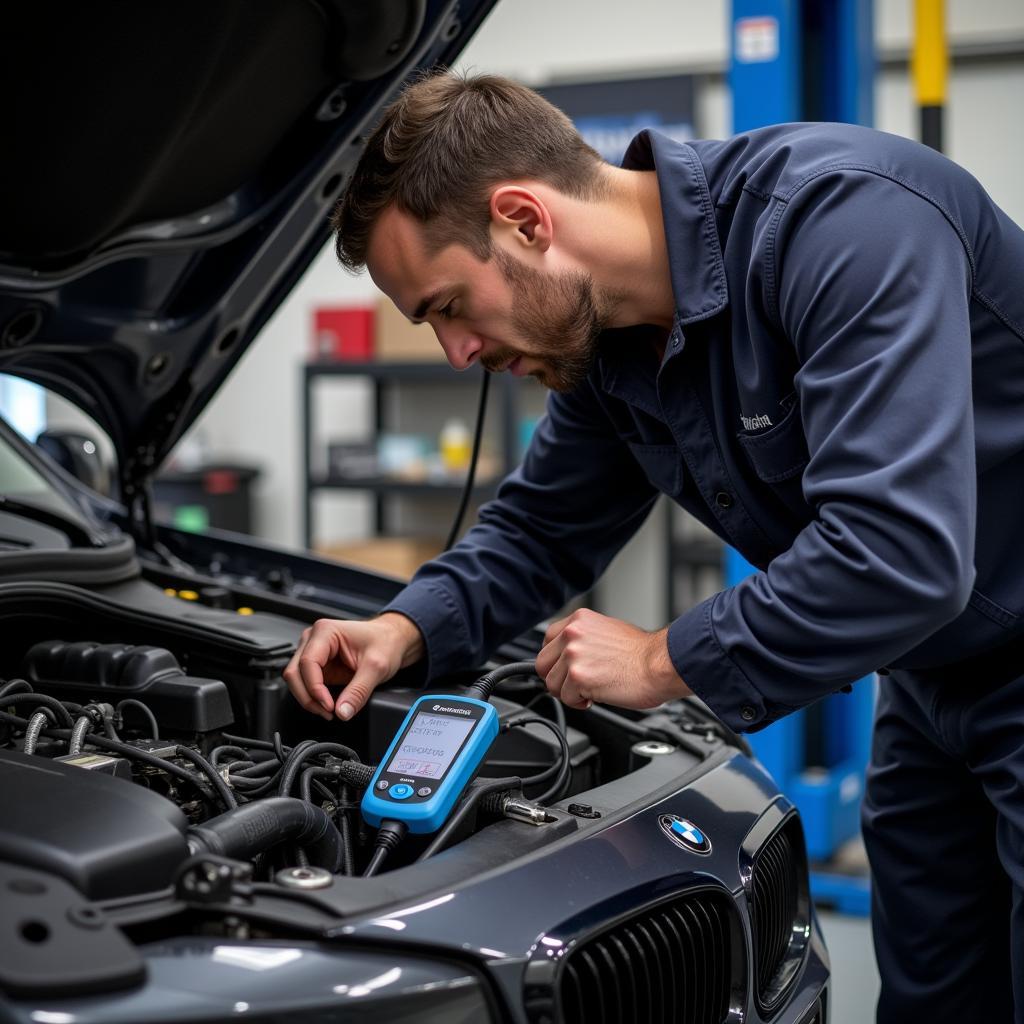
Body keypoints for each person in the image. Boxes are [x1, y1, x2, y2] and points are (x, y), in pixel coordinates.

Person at [283, 71, 1024, 1022]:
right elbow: (541, 528)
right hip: (930, 680)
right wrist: (402, 628)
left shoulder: (841, 222)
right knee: (936, 996)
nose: (456, 354)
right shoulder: (605, 342)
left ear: (524, 221)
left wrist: (661, 659)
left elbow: (899, 550)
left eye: (445, 307)